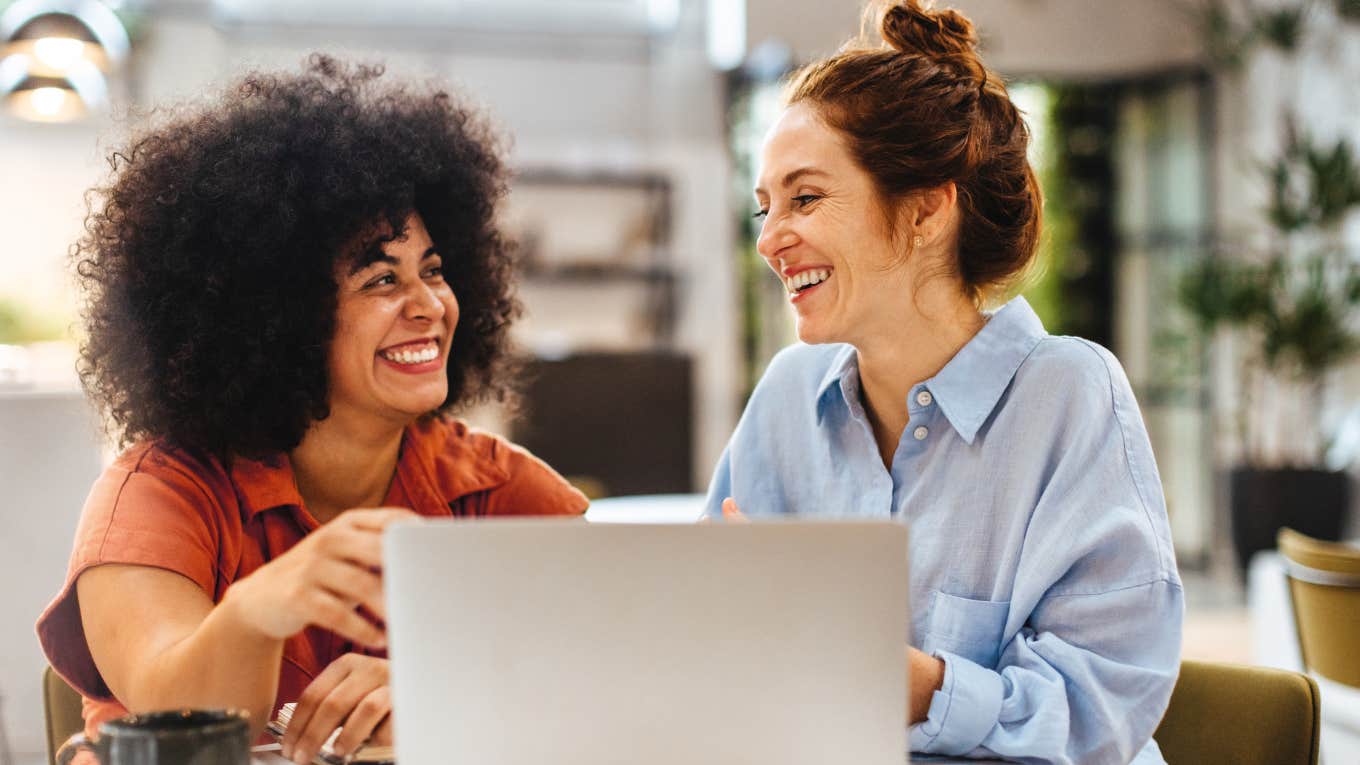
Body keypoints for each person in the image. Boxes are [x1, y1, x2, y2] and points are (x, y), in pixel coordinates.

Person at [36, 56, 587, 765]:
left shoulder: (497, 492)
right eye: (381, 277)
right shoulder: (160, 494)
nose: (427, 306)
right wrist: (261, 606)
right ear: (278, 313)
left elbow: (611, 677)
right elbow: (177, 715)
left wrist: (442, 689)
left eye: (435, 270)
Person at [705, 2, 1183, 763]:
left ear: (926, 209)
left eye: (805, 197)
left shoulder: (1068, 396)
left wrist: (923, 686)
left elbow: (1102, 711)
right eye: (764, 207)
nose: (768, 239)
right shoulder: (787, 396)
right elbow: (719, 662)